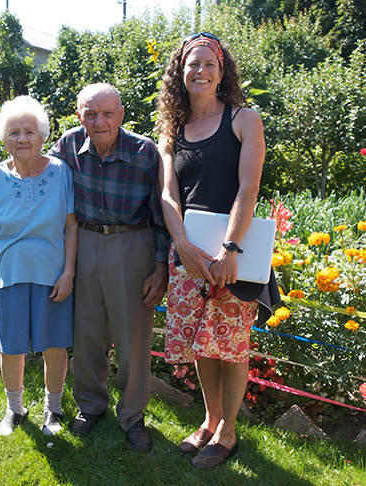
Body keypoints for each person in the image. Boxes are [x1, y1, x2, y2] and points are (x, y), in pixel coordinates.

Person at [156, 33, 280, 468]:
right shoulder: (171, 130)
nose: (201, 71)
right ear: (180, 71)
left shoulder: (245, 119)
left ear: (221, 71)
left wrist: (229, 247)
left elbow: (249, 188)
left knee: (231, 344)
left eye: (210, 63)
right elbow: (169, 196)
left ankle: (228, 433)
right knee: (201, 343)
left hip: (234, 254)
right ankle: (209, 420)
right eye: (192, 64)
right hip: (189, 255)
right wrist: (183, 246)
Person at [49, 83, 169, 452]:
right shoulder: (68, 145)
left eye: (107, 113)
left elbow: (161, 215)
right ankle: (90, 406)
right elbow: (33, 171)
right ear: (78, 114)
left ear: (121, 114)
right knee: (87, 331)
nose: (99, 121)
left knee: (133, 336)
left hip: (132, 241)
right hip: (84, 241)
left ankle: (133, 417)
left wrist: (161, 267)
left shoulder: (144, 151)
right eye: (90, 113)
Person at [0, 96, 77, 437]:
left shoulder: (60, 171)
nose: (22, 139)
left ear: (42, 136)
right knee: (12, 346)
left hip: (52, 273)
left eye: (29, 132)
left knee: (54, 345)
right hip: (9, 273)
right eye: (14, 132)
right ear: (3, 138)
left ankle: (54, 409)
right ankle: (15, 409)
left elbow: (70, 226)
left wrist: (69, 273)